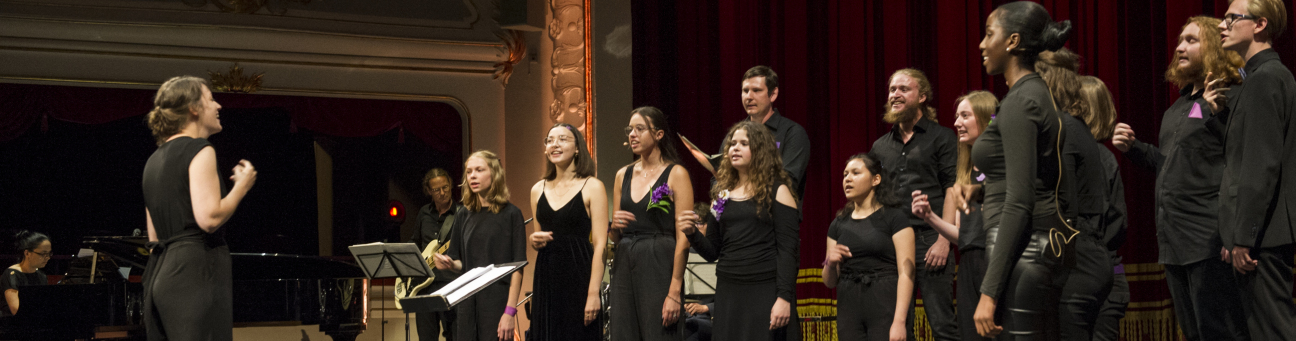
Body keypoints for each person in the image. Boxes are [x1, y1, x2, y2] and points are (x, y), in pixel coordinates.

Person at [1110, 16, 1248, 341]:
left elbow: (1242, 160)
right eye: (1180, 41)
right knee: (1192, 331)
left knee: (1220, 332)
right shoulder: (1177, 108)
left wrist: (1219, 115)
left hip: (1208, 240)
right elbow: (1169, 164)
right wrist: (1134, 149)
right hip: (1173, 242)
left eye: (1191, 40)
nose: (1180, 47)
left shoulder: (1228, 98)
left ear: (1214, 47)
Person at [971, 2, 1077, 339]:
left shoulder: (1021, 101)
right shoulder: (1028, 93)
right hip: (1025, 252)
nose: (982, 45)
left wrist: (988, 293)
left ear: (1013, 41)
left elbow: (1019, 201)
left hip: (1023, 252)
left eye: (990, 34)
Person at [141, 75, 257, 341]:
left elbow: (154, 237)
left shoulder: (153, 160)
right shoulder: (200, 149)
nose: (218, 106)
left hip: (162, 271)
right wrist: (242, 186)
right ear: (193, 108)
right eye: (210, 99)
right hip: (195, 271)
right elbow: (210, 218)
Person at [1213, 0, 1296, 339]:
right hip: (1258, 233)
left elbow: (1259, 167)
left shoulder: (1266, 78)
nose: (1222, 25)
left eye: (1232, 18)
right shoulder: (1257, 78)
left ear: (1260, 25)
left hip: (1264, 235)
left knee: (1272, 331)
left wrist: (1243, 237)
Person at [678, 120, 800, 341]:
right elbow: (713, 251)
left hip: (764, 289)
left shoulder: (778, 190)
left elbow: (788, 250)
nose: (734, 147)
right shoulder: (722, 194)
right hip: (729, 290)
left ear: (760, 150)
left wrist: (784, 298)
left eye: (744, 143)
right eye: (732, 143)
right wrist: (692, 233)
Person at [868, 68, 959, 341]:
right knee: (895, 324)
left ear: (922, 96)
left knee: (942, 323)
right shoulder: (880, 146)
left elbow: (952, 188)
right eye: (892, 89)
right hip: (892, 242)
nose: (895, 94)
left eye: (903, 89)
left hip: (930, 239)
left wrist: (944, 240)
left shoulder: (942, 138)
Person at [1035, 48, 1113, 341]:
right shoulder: (1074, 125)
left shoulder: (1063, 128)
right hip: (1086, 253)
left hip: (1076, 258)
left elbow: (1062, 201)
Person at [913, 90, 998, 341]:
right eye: (956, 116)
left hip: (995, 261)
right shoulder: (966, 171)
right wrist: (930, 217)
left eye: (965, 115)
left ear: (985, 118)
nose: (956, 123)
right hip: (970, 263)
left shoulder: (1002, 163)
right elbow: (964, 236)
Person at [608, 106, 694, 341]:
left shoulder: (676, 173)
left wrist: (675, 290)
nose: (632, 134)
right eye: (630, 129)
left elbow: (684, 236)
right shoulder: (622, 175)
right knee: (624, 332)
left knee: (659, 332)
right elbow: (616, 236)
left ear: (658, 134)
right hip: (625, 260)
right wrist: (613, 227)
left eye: (639, 129)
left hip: (658, 261)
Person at [432, 150, 527, 341]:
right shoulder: (463, 214)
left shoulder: (511, 214)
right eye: (469, 172)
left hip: (497, 303)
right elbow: (461, 262)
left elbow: (518, 268)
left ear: (494, 174)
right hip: (467, 304)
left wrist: (510, 311)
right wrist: (449, 263)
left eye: (479, 170)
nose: (472, 176)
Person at [528, 123, 608, 340]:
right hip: (547, 278)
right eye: (550, 140)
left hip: (579, 277)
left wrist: (593, 293)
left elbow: (601, 244)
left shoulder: (593, 186)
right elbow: (539, 238)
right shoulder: (537, 190)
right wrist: (534, 240)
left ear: (578, 148)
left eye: (562, 139)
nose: (555, 144)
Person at [683, 65, 811, 199]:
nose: (749, 97)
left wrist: (740, 192)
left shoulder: (792, 133)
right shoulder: (735, 134)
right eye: (745, 91)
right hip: (735, 213)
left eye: (756, 90)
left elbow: (787, 182)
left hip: (774, 215)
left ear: (773, 94)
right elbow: (718, 179)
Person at [826, 152, 914, 341]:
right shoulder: (838, 224)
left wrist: (899, 322)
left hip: (884, 302)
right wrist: (830, 264)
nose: (847, 179)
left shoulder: (895, 218)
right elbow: (829, 281)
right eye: (845, 174)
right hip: (849, 305)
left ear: (875, 180)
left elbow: (906, 274)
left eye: (855, 173)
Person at [1077, 75, 1133, 341]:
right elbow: (1118, 222)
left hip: (1091, 276)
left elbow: (1114, 223)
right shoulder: (1105, 156)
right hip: (1108, 274)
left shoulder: (1089, 156)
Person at [409, 168, 464, 341]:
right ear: (429, 191)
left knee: (454, 336)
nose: (442, 193)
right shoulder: (424, 213)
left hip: (451, 284)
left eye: (445, 187)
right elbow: (415, 244)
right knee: (426, 337)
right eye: (436, 190)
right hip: (424, 287)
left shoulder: (462, 214)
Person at [1, 231, 51, 317]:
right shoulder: (12, 274)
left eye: (49, 253)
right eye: (43, 254)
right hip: (12, 325)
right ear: (27, 253)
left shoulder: (41, 276)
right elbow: (15, 310)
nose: (48, 258)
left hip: (34, 321)